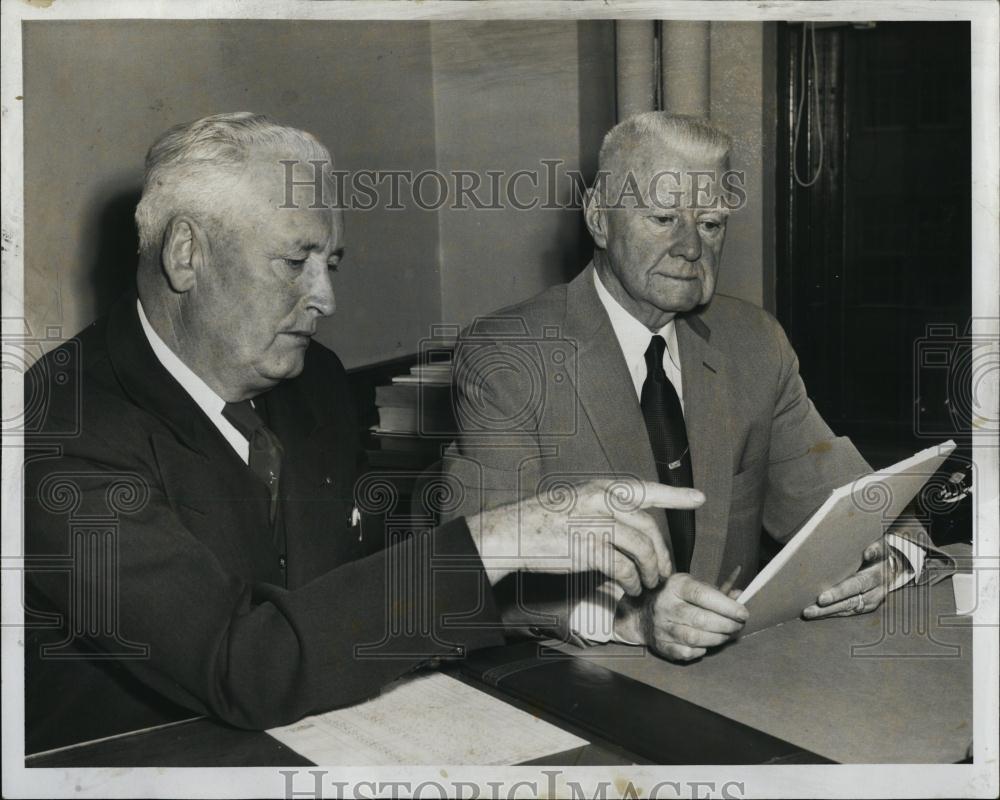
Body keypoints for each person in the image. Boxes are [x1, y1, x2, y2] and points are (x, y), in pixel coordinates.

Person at [23, 112, 692, 754]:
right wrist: (495, 538)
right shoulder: (59, 425)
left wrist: (595, 614)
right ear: (186, 253)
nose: (326, 298)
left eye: (331, 263)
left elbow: (367, 592)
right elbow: (242, 662)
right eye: (296, 262)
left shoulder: (311, 380)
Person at [443, 112, 948, 662]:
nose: (690, 248)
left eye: (710, 224)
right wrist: (630, 619)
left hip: (734, 675)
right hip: (585, 674)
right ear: (599, 220)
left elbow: (866, 507)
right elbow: (464, 576)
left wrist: (891, 559)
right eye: (663, 218)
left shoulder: (754, 343)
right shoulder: (509, 356)